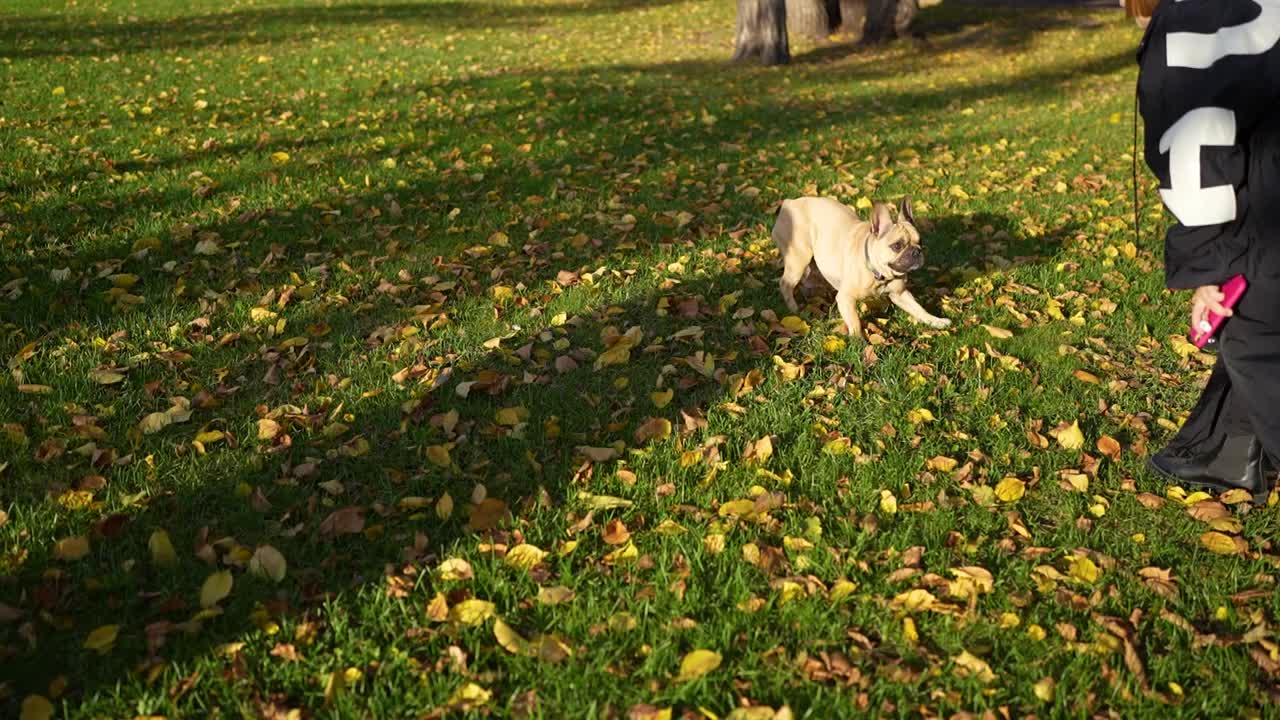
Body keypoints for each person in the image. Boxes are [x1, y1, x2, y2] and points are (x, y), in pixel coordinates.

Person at [1129, 0, 1280, 504]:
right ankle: (1230, 451)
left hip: (1268, 222)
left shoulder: (1197, 16)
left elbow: (1197, 145)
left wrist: (1209, 266)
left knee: (1256, 337)